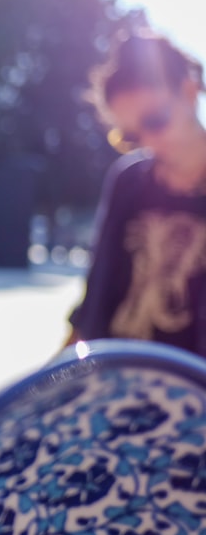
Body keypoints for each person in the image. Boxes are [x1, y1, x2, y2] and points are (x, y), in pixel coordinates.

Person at [67, 29, 206, 356]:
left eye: (156, 120)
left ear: (188, 93)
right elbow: (95, 297)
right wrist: (58, 379)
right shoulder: (128, 180)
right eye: (129, 135)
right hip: (113, 377)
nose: (148, 141)